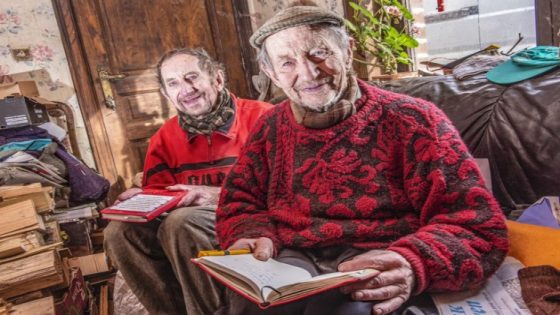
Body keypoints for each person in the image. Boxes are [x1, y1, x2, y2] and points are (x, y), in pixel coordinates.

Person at [214, 4, 509, 315]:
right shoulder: (268, 128)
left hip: (380, 257)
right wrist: (251, 235)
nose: (309, 73)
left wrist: (413, 263)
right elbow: (241, 203)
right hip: (293, 256)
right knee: (256, 305)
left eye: (319, 53)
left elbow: (478, 225)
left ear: (347, 51)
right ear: (271, 73)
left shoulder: (414, 120)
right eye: (287, 63)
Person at [103, 47, 272, 315]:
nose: (185, 89)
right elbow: (160, 191)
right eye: (173, 83)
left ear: (217, 79)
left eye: (192, 77)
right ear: (165, 93)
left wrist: (216, 195)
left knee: (181, 223)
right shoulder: (165, 137)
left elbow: (287, 187)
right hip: (187, 218)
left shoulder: (264, 118)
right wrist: (141, 200)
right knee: (119, 232)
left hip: (248, 213)